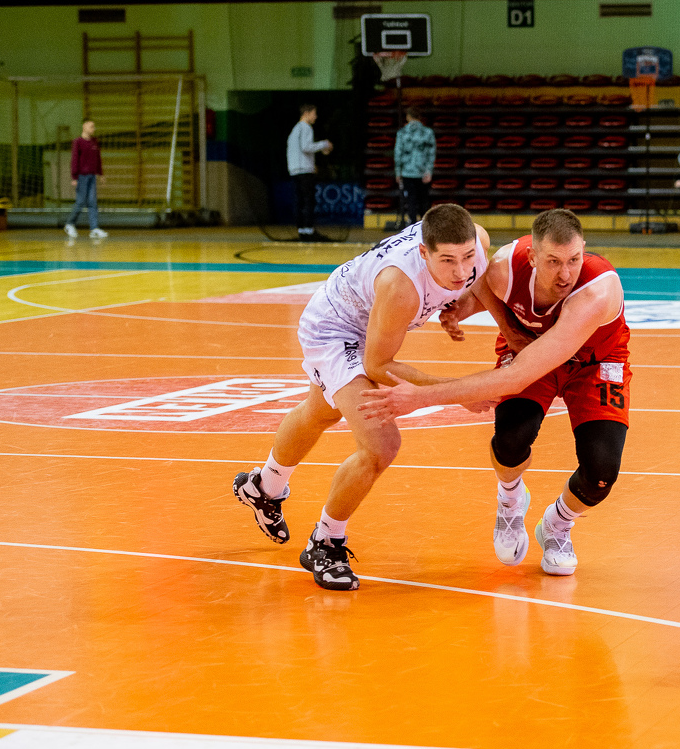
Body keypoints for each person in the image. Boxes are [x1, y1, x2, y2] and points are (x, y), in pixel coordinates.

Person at [233, 204, 492, 591]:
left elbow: (482, 283)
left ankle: (263, 486)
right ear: (424, 253)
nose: (460, 271)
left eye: (467, 257)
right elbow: (379, 365)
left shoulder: (478, 242)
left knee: (320, 412)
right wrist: (455, 393)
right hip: (334, 329)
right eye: (448, 261)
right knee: (381, 444)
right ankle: (325, 542)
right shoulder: (400, 285)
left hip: (365, 315)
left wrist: (461, 307)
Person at [361, 209, 629, 579]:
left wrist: (424, 396)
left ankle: (557, 524)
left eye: (574, 260)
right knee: (510, 441)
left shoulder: (597, 292)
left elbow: (517, 377)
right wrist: (469, 310)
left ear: (584, 249)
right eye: (553, 262)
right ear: (532, 257)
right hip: (528, 345)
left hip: (595, 361)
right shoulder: (505, 266)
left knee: (601, 474)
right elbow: (481, 284)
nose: (565, 274)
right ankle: (510, 496)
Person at [287, 103, 334, 242]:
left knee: (299, 201)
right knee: (308, 200)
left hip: (295, 170)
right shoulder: (306, 127)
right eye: (314, 113)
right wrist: (324, 144)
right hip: (304, 171)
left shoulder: (295, 129)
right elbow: (306, 147)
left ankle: (302, 230)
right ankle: (308, 230)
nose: (316, 116)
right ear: (306, 113)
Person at [64, 120, 107, 240]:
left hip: (92, 176)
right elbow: (74, 159)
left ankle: (94, 228)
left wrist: (100, 174)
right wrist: (74, 177)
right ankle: (70, 224)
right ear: (84, 126)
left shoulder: (94, 142)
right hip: (82, 176)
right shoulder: (78, 142)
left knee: (93, 202)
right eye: (91, 126)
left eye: (94, 126)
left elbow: (98, 159)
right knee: (80, 201)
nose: (94, 128)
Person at [393, 107, 436, 224]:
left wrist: (398, 172)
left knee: (411, 200)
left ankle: (412, 225)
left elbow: (398, 153)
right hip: (423, 173)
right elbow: (431, 154)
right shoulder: (428, 132)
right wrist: (429, 171)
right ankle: (424, 226)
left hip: (407, 173)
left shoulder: (402, 133)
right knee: (424, 201)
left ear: (408, 116)